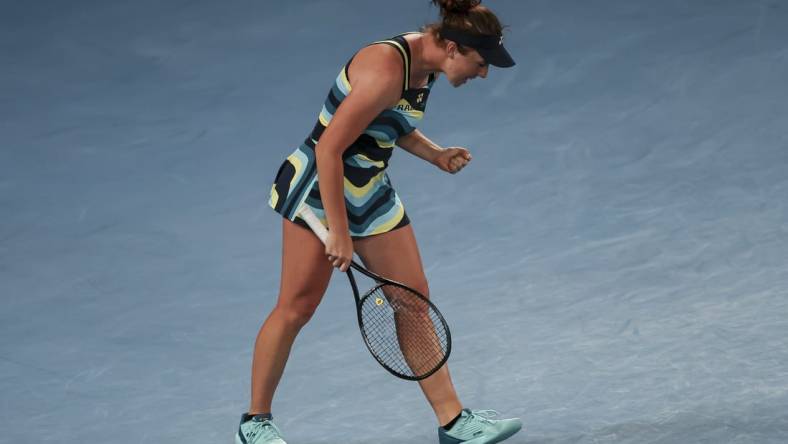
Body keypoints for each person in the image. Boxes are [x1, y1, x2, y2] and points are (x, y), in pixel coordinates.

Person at [237, 1, 522, 443]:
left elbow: (391, 124)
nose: (483, 74)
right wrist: (338, 232)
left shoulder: (425, 68)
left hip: (369, 189)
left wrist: (435, 154)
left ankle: (454, 423)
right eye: (480, 63)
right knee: (297, 307)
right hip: (319, 189)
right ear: (452, 48)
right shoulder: (386, 69)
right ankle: (254, 425)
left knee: (411, 299)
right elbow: (329, 149)